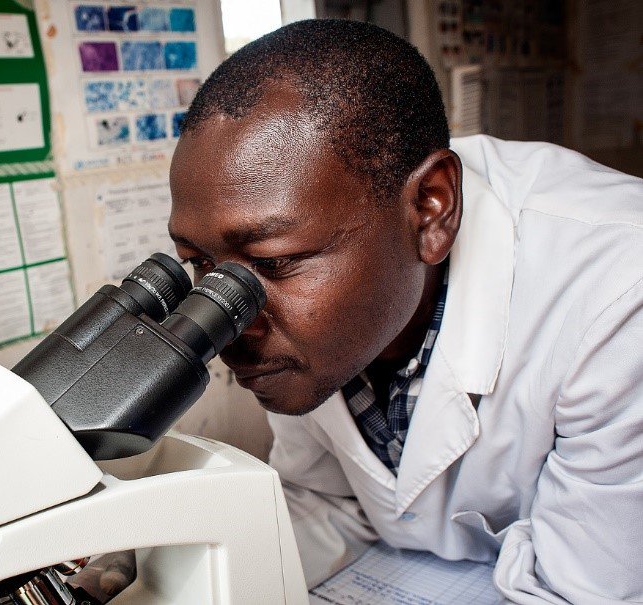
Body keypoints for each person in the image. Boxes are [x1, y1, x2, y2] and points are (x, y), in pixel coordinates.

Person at [167, 19, 643, 604]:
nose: (227, 324)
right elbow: (327, 502)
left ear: (430, 208)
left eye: (274, 261)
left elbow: (588, 591)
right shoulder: (307, 323)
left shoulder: (617, 295)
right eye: (197, 264)